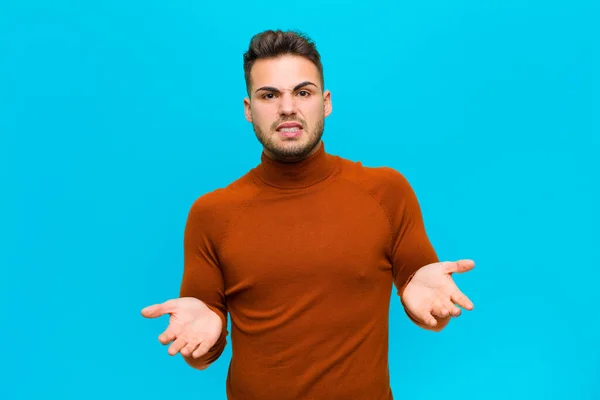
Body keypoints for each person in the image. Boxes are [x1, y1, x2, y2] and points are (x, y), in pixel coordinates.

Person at [141, 29, 475, 400]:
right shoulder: (212, 214)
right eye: (269, 95)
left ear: (326, 101)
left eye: (303, 92)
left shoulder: (386, 192)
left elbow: (431, 307)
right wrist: (205, 337)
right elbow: (201, 347)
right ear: (249, 109)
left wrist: (429, 302)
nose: (288, 108)